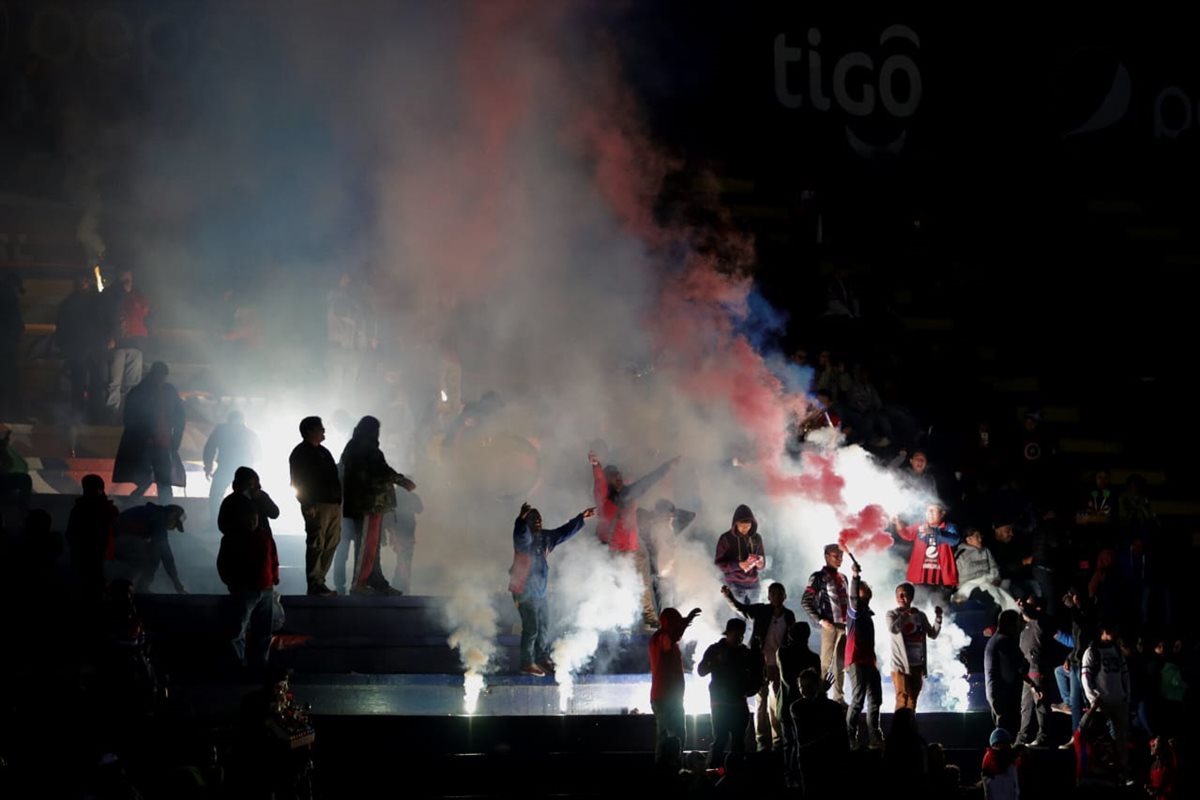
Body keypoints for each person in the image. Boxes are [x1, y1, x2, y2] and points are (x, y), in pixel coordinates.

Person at [590, 450, 678, 627]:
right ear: (607, 481)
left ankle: (649, 616)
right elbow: (599, 481)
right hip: (616, 549)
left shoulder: (630, 493)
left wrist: (667, 466)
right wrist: (596, 466)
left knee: (644, 582)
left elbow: (649, 481)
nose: (618, 478)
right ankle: (615, 619)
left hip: (633, 546)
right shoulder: (603, 497)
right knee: (618, 584)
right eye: (613, 476)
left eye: (619, 475)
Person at [508, 502, 593, 676]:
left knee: (544, 625)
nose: (538, 521)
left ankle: (541, 658)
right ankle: (527, 663)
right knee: (531, 627)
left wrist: (581, 518)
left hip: (540, 591)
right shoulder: (524, 540)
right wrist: (521, 519)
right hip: (523, 590)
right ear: (528, 522)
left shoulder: (545, 538)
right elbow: (520, 534)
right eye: (533, 518)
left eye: (539, 518)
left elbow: (563, 532)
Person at [340, 416, 416, 595]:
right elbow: (380, 469)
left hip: (372, 504)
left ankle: (376, 580)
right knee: (367, 544)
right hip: (368, 503)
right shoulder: (364, 447)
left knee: (372, 545)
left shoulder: (358, 446)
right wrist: (402, 480)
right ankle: (359, 584)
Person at [721, 581, 795, 752]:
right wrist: (729, 596)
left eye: (779, 593)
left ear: (784, 596)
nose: (776, 596)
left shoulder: (789, 615)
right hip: (759, 662)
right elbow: (741, 608)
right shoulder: (761, 610)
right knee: (761, 702)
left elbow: (790, 640)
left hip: (778, 664)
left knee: (776, 702)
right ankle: (762, 741)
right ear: (769, 596)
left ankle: (777, 740)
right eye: (773, 593)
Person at [217, 488, 279, 676]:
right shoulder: (231, 538)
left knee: (262, 631)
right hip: (245, 590)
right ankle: (240, 665)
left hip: (265, 589)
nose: (253, 522)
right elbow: (223, 564)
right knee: (238, 630)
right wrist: (231, 583)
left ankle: (259, 665)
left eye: (255, 519)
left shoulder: (264, 537)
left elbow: (274, 560)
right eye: (250, 519)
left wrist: (274, 579)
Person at [112, 362, 185, 501]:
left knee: (161, 480)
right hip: (145, 444)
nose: (161, 380)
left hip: (161, 443)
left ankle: (158, 506)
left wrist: (175, 439)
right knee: (148, 478)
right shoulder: (141, 391)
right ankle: (139, 503)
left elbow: (179, 416)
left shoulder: (167, 391)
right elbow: (130, 418)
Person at [289, 416, 342, 596]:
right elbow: (297, 481)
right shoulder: (300, 453)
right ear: (310, 431)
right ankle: (314, 583)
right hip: (317, 504)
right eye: (320, 428)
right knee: (316, 542)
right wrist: (307, 502)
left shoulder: (324, 452)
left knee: (331, 542)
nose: (323, 431)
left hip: (332, 504)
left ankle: (320, 580)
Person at [698, 617, 759, 769]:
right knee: (721, 738)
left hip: (738, 702)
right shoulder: (715, 650)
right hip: (721, 703)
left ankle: (735, 772)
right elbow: (701, 671)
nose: (740, 637)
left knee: (738, 741)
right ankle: (715, 771)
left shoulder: (745, 652)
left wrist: (751, 688)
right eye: (737, 634)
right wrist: (715, 662)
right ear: (728, 633)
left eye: (742, 634)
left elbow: (756, 673)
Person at [648, 606, 701, 765]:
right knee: (671, 738)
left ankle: (671, 768)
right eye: (675, 622)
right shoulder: (661, 638)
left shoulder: (661, 639)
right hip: (665, 698)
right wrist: (687, 621)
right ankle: (667, 771)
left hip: (669, 697)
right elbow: (671, 637)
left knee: (673, 736)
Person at [1081, 620, 1131, 784]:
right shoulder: (1092, 652)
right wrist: (1093, 699)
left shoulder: (1117, 650)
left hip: (1119, 701)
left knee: (1122, 738)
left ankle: (1123, 772)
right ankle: (1106, 772)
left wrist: (1126, 695)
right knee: (1103, 740)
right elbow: (1085, 678)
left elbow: (1125, 674)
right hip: (1101, 704)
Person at [800, 543, 850, 703]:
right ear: (827, 556)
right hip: (830, 625)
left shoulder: (843, 577)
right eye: (836, 556)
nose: (839, 559)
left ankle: (839, 697)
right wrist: (821, 620)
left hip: (844, 625)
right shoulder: (818, 577)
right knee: (825, 662)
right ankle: (819, 694)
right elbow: (806, 601)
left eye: (841, 556)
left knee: (840, 664)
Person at [790, 668, 850, 798]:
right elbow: (806, 736)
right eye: (802, 687)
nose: (805, 690)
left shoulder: (797, 707)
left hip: (819, 762)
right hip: (815, 763)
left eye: (809, 686)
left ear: (817, 685)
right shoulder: (798, 707)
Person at [102, 269, 150, 418]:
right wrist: (110, 337)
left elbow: (144, 313)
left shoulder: (138, 295)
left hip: (135, 343)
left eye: (129, 276)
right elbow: (107, 316)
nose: (126, 279)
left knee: (132, 383)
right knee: (114, 382)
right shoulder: (110, 294)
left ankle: (130, 413)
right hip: (118, 344)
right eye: (123, 276)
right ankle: (112, 412)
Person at [845, 560, 884, 750]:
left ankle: (875, 737)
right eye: (863, 588)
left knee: (875, 699)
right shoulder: (855, 610)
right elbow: (852, 596)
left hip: (869, 661)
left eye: (868, 588)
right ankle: (850, 736)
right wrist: (855, 577)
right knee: (858, 699)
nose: (867, 590)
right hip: (856, 660)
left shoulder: (867, 613)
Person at [54, 273, 104, 418]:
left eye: (84, 282)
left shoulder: (91, 301)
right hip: (82, 349)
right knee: (81, 382)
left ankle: (90, 413)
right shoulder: (74, 302)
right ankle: (83, 413)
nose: (83, 284)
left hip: (90, 348)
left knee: (92, 382)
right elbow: (62, 326)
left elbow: (103, 323)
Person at [886, 582, 941, 711]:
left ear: (911, 597)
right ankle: (898, 729)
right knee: (902, 697)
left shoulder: (920, 615)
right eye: (898, 594)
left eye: (904, 594)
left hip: (917, 664)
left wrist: (938, 618)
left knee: (912, 700)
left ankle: (909, 727)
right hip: (900, 665)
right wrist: (906, 615)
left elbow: (932, 634)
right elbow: (893, 629)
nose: (900, 597)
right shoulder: (892, 614)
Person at [110, 502, 187, 593]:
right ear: (172, 515)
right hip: (119, 541)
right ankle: (142, 588)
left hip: (116, 541)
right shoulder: (158, 518)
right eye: (175, 524)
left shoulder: (152, 513)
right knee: (154, 553)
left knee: (148, 552)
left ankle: (129, 584)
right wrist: (176, 581)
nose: (173, 528)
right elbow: (165, 552)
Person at [65, 474, 120, 602]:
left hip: (88, 555)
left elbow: (70, 534)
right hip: (96, 554)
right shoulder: (107, 509)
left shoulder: (79, 509)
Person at [203, 410, 261, 529]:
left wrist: (208, 467)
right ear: (243, 420)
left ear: (228, 419)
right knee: (248, 497)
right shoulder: (249, 433)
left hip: (225, 467)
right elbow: (259, 453)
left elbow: (209, 448)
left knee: (215, 496)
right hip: (245, 471)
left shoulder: (221, 430)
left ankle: (215, 524)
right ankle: (250, 524)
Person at [984, 609, 1036, 738]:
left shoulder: (994, 640)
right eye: (1017, 623)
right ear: (1010, 624)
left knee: (1001, 733)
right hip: (1005, 697)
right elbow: (1018, 667)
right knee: (1007, 736)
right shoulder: (1005, 641)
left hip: (995, 694)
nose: (1020, 627)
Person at [894, 503, 960, 601]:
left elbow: (954, 540)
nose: (929, 513)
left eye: (933, 510)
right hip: (921, 577)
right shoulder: (920, 526)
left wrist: (934, 531)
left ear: (942, 513)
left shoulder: (949, 527)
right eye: (927, 510)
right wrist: (897, 522)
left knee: (941, 610)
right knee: (920, 608)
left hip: (942, 579)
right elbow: (906, 534)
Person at [1017, 595, 1054, 746]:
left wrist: (1023, 606)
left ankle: (1043, 737)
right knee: (1025, 707)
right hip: (1027, 672)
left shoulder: (1040, 622)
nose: (1025, 608)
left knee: (1040, 705)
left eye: (1029, 605)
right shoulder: (1026, 627)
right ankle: (1022, 739)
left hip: (1037, 670)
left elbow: (1031, 614)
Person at [952, 527, 1018, 611]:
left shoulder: (985, 550)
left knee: (1007, 595)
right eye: (977, 536)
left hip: (988, 581)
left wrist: (996, 578)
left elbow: (994, 567)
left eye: (980, 536)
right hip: (969, 586)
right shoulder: (961, 555)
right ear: (969, 539)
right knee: (991, 597)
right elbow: (955, 577)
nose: (980, 539)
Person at [714, 505, 766, 603]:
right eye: (742, 526)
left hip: (754, 584)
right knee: (738, 616)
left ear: (752, 524)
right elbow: (718, 564)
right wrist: (738, 565)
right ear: (735, 524)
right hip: (734, 584)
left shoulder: (756, 538)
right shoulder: (726, 538)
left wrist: (760, 564)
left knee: (756, 615)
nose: (745, 529)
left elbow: (762, 563)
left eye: (748, 526)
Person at [980, 728, 1023, 800]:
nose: (1009, 746)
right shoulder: (990, 755)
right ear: (997, 744)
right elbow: (1000, 765)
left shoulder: (1009, 759)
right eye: (1006, 743)